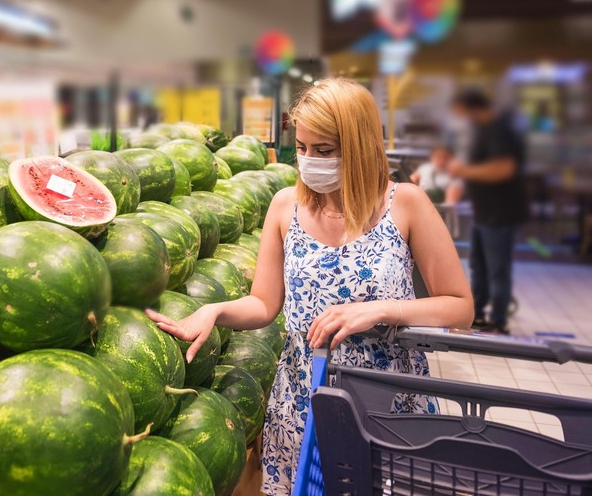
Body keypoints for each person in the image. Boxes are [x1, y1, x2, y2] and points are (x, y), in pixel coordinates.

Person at [147, 78, 473, 495]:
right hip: (304, 398)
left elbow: (459, 307)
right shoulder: (286, 206)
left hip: (389, 400)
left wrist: (384, 309)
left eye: (323, 151)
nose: (308, 161)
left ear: (359, 147)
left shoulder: (405, 203)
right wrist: (217, 311)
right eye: (302, 148)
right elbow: (264, 304)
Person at [448, 88, 528, 335]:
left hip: (501, 214)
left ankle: (499, 321)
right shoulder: (483, 130)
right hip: (484, 213)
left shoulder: (500, 131)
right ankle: (477, 314)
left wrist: (465, 171)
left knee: (497, 269)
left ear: (473, 108)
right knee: (478, 266)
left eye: (462, 113)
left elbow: (503, 169)